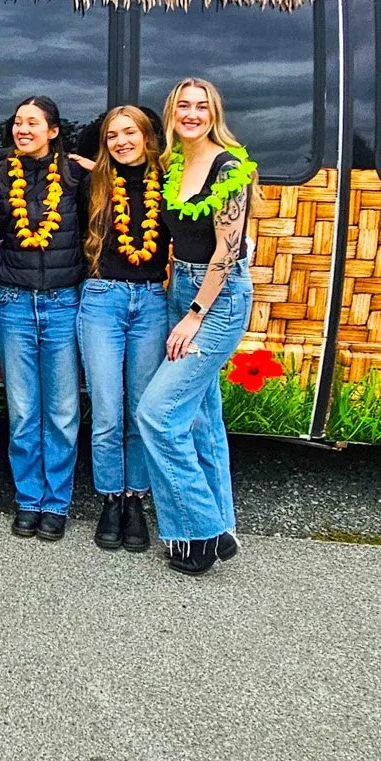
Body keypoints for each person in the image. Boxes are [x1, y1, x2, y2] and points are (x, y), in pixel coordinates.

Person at [136, 78, 256, 576]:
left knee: (157, 414)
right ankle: (221, 528)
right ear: (171, 113)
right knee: (202, 418)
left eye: (200, 106)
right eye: (183, 105)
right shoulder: (176, 164)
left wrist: (194, 314)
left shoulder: (229, 167)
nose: (191, 113)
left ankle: (196, 528)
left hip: (216, 299)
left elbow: (227, 253)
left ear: (214, 113)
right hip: (181, 288)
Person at [0, 95, 88, 541]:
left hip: (65, 302)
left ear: (53, 130)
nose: (22, 129)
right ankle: (28, 499)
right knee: (24, 411)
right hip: (12, 302)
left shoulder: (76, 175)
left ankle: (57, 502)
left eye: (33, 123)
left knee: (63, 411)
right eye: (17, 122)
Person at [76, 105, 168, 554]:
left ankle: (137, 501)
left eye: (129, 132)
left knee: (139, 411)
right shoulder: (91, 184)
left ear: (147, 137)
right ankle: (111, 500)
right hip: (101, 302)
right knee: (108, 411)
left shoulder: (169, 183)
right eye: (112, 135)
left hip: (151, 301)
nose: (120, 141)